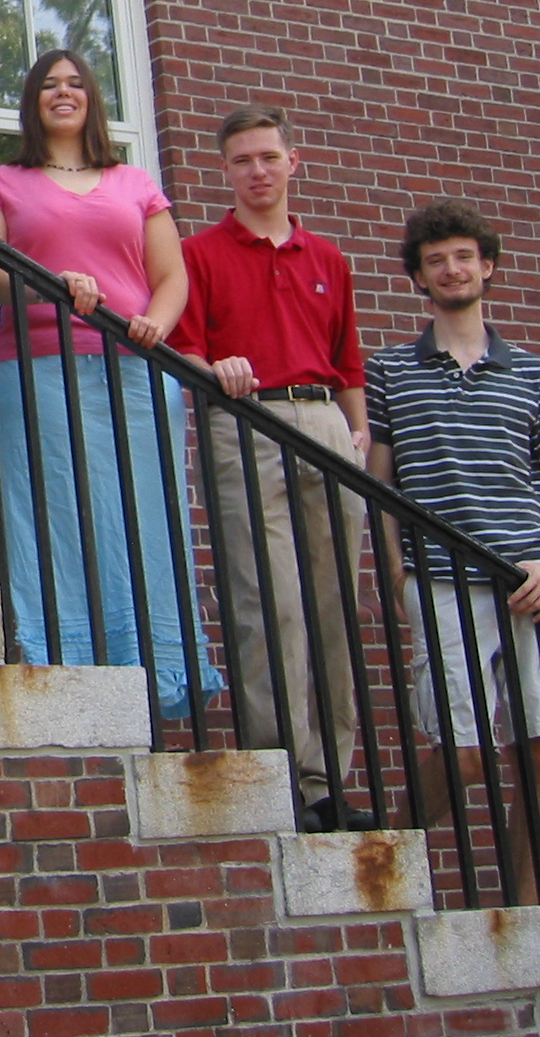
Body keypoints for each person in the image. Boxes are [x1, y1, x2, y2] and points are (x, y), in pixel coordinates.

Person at [0, 49, 213, 714]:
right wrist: (45, 284)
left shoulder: (134, 182)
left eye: (76, 83)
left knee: (146, 515)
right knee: (53, 516)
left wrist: (156, 325)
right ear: (32, 102)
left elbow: (172, 277)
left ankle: (156, 671)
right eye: (49, 85)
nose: (63, 92)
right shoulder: (2, 180)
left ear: (92, 99)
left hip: (134, 369)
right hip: (37, 369)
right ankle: (64, 666)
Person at [367, 198, 540, 899]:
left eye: (464, 256)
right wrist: (397, 575)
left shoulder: (537, 374)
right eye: (436, 261)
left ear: (487, 267)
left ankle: (527, 911)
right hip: (440, 581)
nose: (452, 269)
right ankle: (382, 851)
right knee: (463, 755)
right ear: (418, 277)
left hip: (531, 579)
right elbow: (378, 485)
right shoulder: (389, 372)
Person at [170, 106, 372, 830]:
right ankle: (282, 774)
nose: (257, 171)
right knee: (268, 603)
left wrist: (358, 433)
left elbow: (349, 362)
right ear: (225, 170)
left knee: (336, 610)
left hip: (327, 424)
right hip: (247, 418)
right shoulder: (199, 254)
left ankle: (329, 784)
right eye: (242, 160)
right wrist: (215, 370)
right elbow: (182, 349)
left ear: (293, 161)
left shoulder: (329, 260)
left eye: (268, 157)